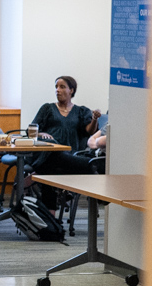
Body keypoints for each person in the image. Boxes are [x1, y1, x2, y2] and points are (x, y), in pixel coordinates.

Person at [31, 76, 102, 206]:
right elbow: (31, 131)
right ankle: (93, 167)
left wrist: (94, 119)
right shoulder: (47, 108)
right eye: (56, 87)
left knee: (50, 172)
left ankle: (49, 219)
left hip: (69, 155)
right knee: (57, 154)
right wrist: (42, 133)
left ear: (71, 91)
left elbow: (90, 131)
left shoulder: (81, 111)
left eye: (62, 87)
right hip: (46, 154)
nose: (57, 90)